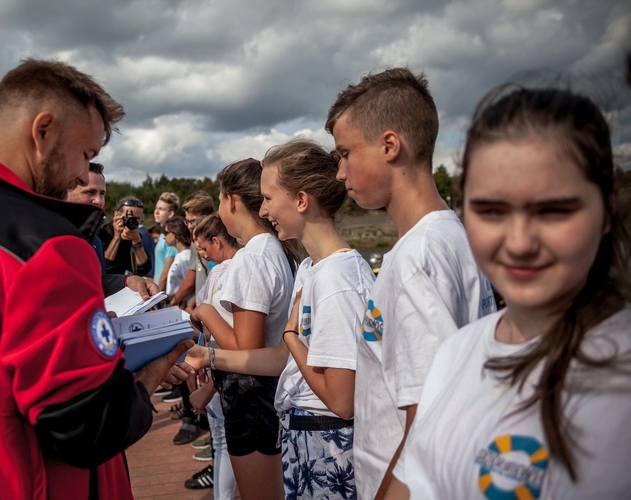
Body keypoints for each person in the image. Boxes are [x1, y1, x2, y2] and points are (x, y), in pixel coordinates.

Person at [0, 58, 193, 499]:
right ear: (43, 131)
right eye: (85, 154)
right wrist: (150, 376)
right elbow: (87, 427)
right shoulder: (46, 244)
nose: (83, 174)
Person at [388, 87, 631, 499]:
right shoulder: (455, 353)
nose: (519, 242)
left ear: (606, 210)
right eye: (491, 211)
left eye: (553, 210)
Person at [325, 67, 496, 499]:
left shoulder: (415, 258)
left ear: (389, 146)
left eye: (345, 154)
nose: (340, 174)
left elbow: (431, 420)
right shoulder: (453, 236)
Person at [187, 139, 375, 498]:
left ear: (301, 201)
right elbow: (278, 360)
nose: (264, 209)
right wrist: (210, 357)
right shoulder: (309, 267)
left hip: (327, 443)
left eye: (269, 198)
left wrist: (290, 337)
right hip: (303, 437)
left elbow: (341, 399)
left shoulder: (337, 280)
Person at [186, 158, 300, 500]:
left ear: (232, 201)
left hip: (252, 399)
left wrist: (206, 311)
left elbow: (245, 347)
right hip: (266, 394)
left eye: (220, 200)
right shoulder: (274, 249)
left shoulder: (251, 258)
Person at [184, 214, 240, 495]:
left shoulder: (231, 270)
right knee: (221, 442)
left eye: (204, 250)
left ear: (218, 241)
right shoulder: (219, 271)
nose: (204, 256)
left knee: (225, 444)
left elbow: (208, 319)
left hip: (222, 369)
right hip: (213, 367)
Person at [67, 163, 152, 297]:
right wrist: (116, 238)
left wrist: (127, 280)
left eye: (102, 194)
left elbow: (99, 280)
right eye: (90, 192)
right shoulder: (50, 236)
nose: (99, 201)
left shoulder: (95, 241)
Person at [170, 191, 216, 312]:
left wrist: (175, 300)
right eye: (187, 221)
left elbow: (191, 279)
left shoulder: (214, 241)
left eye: (193, 221)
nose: (189, 226)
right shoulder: (195, 240)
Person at [99, 195, 152, 277]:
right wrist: (116, 238)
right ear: (116, 215)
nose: (131, 221)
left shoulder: (135, 236)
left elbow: (143, 269)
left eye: (136, 219)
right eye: (128, 217)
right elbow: (104, 267)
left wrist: (136, 240)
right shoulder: (103, 233)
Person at [153, 191, 180, 290]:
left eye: (161, 209)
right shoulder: (162, 234)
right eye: (156, 208)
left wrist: (156, 297)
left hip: (163, 294)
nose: (156, 212)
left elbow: (166, 272)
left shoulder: (171, 237)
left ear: (170, 213)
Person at [163, 215, 191, 296]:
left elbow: (188, 285)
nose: (164, 237)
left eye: (167, 233)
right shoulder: (180, 256)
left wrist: (174, 300)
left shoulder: (186, 257)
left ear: (177, 232)